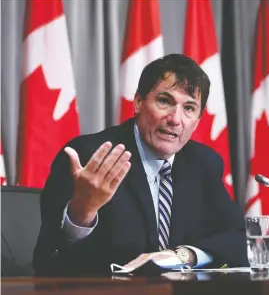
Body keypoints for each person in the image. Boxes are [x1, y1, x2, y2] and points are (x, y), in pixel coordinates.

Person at [33, 54, 248, 276]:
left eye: (189, 108)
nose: (175, 118)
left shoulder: (203, 164)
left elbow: (239, 240)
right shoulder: (91, 156)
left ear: (198, 120)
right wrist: (81, 214)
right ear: (138, 103)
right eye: (165, 101)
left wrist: (183, 255)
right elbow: (48, 260)